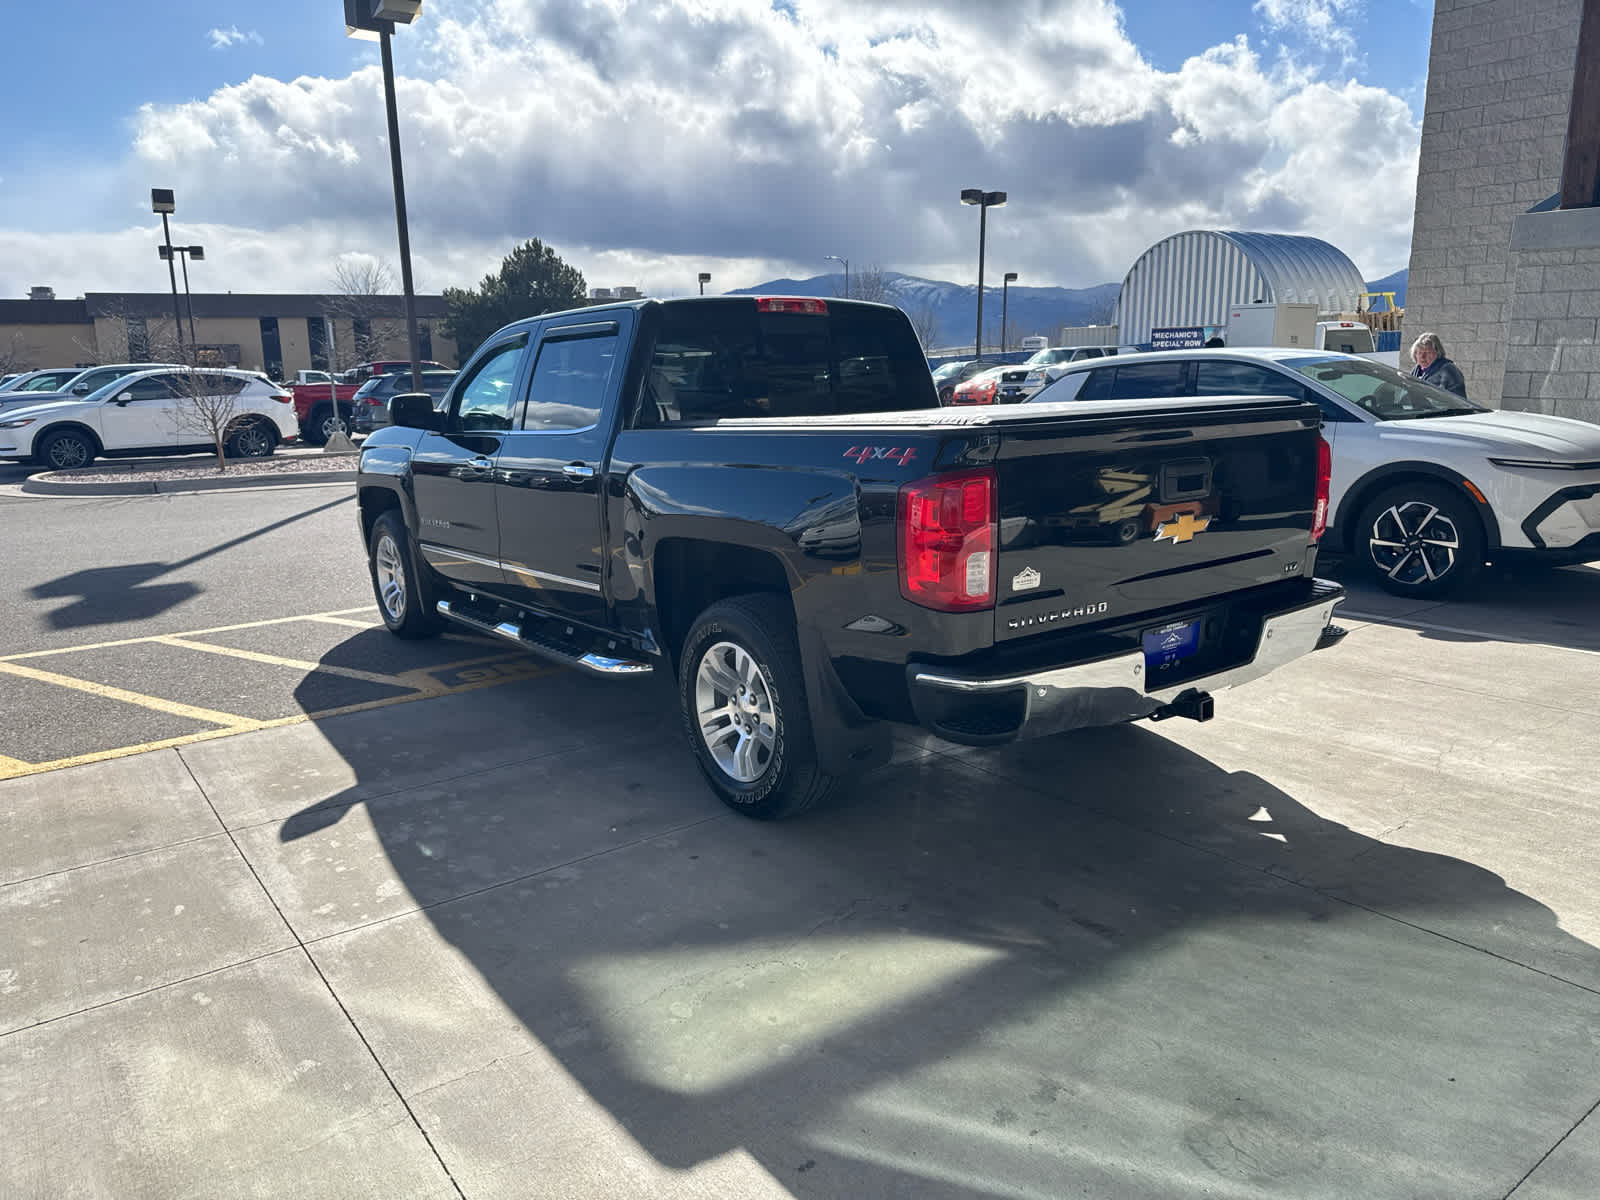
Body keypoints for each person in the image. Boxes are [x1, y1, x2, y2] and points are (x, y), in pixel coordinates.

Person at [1409, 332, 1468, 399]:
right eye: (1419, 353)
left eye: (1428, 352)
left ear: (1437, 352)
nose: (1423, 357)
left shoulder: (1448, 370)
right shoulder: (1416, 371)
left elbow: (1457, 400)